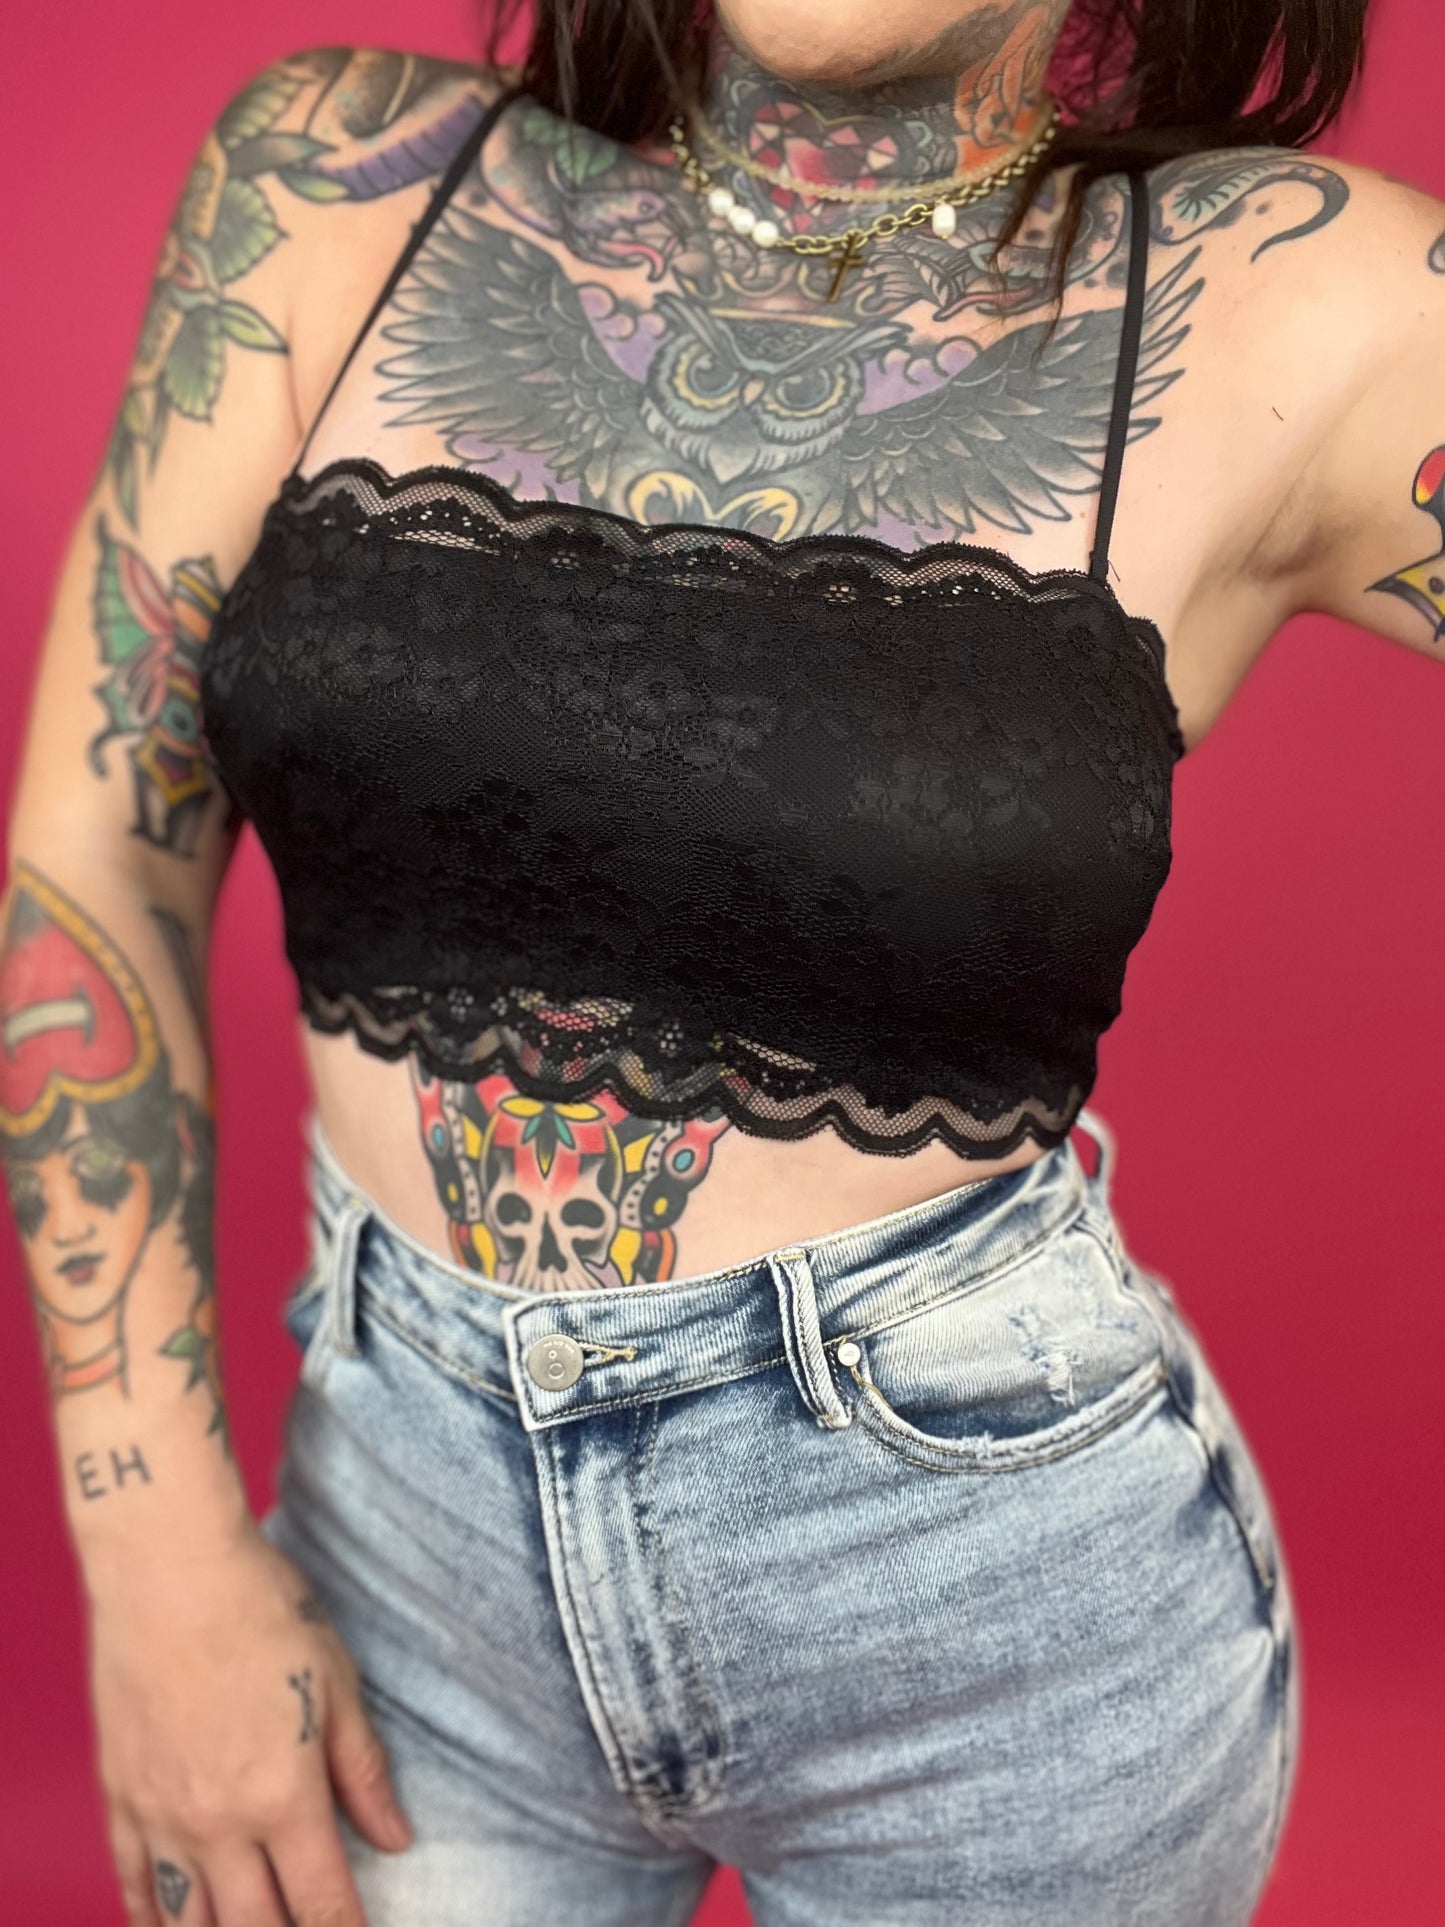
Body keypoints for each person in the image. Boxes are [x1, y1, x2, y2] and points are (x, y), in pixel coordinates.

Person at [6, 0, 1440, 1919]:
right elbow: (100, 848)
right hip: (398, 1564)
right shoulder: (335, 182)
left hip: (994, 1627)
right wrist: (154, 1557)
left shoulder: (1303, 303)